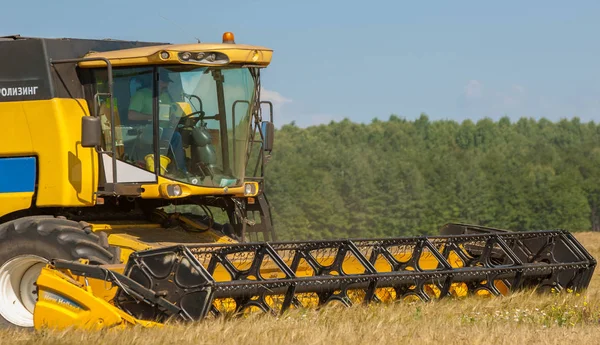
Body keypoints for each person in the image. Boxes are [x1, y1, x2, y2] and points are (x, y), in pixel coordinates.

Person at [128, 71, 188, 175]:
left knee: (188, 133)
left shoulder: (165, 96)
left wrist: (173, 118)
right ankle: (181, 171)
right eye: (164, 82)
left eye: (167, 82)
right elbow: (131, 115)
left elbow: (171, 112)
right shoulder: (141, 94)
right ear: (156, 82)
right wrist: (152, 117)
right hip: (147, 130)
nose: (166, 85)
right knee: (176, 136)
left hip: (165, 129)